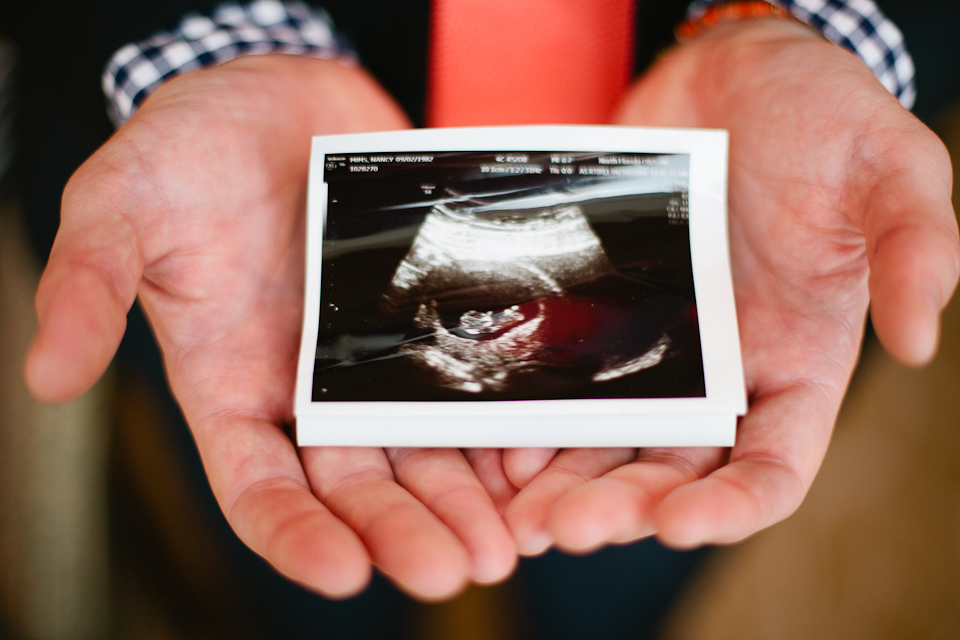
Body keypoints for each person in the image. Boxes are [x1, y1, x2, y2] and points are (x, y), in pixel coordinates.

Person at [9, 0, 959, 605]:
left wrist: (805, 27)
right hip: (254, 253)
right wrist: (212, 51)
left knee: (628, 555)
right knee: (297, 559)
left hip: (736, 236)